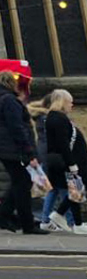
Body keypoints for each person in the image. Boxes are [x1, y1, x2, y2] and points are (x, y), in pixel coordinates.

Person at [0, 70, 44, 234]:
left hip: (5, 148)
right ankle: (25, 224)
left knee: (20, 182)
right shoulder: (9, 100)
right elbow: (17, 127)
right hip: (13, 148)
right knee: (23, 182)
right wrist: (29, 151)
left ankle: (4, 215)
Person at [41, 89, 87, 233]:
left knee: (74, 190)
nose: (72, 105)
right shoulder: (58, 119)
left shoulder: (57, 117)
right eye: (70, 102)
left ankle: (61, 216)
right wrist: (72, 164)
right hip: (69, 162)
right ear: (62, 102)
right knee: (76, 189)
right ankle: (75, 223)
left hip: (70, 161)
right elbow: (63, 144)